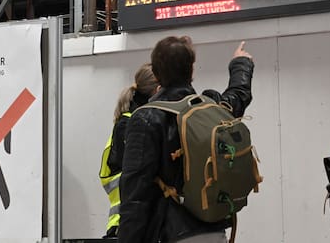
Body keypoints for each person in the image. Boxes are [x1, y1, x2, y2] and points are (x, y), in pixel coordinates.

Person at [118, 36, 255, 243]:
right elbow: (238, 96)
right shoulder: (211, 108)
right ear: (192, 70)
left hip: (172, 234)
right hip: (215, 231)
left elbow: (135, 195)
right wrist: (241, 64)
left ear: (156, 73)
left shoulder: (147, 118)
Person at [99, 63, 159, 238]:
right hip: (127, 224)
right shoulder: (130, 125)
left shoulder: (132, 121)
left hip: (131, 223)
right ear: (157, 90)